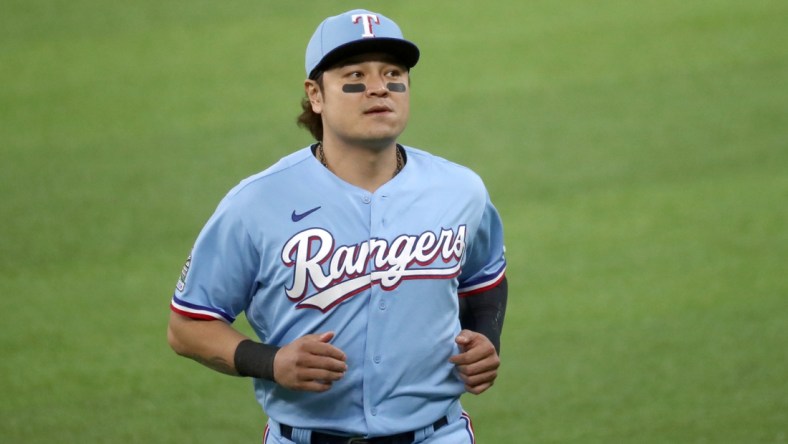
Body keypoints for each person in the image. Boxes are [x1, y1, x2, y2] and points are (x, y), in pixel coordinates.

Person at [167, 9, 507, 444]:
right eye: (355, 76)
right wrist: (270, 362)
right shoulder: (255, 204)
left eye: (393, 74)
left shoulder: (461, 190)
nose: (379, 87)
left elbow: (485, 280)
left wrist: (486, 339)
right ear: (316, 94)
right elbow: (188, 325)